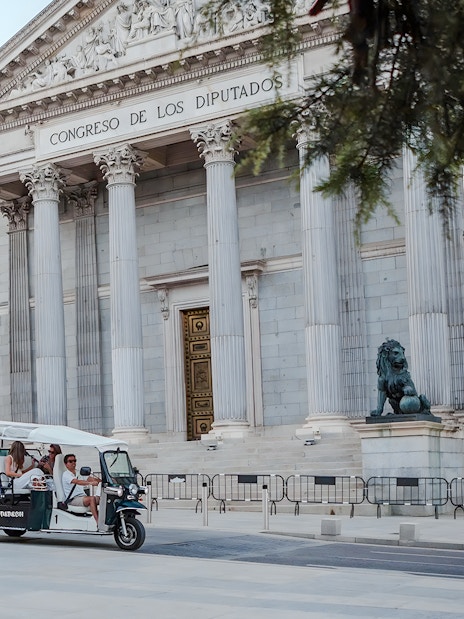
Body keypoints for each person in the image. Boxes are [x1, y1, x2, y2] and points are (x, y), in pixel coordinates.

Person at [62, 454, 100, 522]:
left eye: (74, 461)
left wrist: (102, 481)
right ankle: (98, 522)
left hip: (83, 497)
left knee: (103, 499)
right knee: (91, 499)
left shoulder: (78, 472)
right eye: (70, 461)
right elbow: (77, 481)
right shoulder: (66, 475)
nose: (73, 463)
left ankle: (106, 520)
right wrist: (91, 483)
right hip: (73, 499)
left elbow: (90, 478)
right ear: (66, 464)